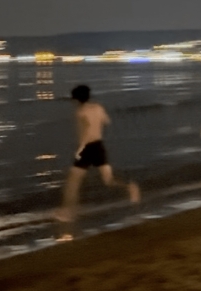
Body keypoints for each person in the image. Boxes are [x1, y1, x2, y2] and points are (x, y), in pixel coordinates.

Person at [55, 84, 140, 222]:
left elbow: (85, 131)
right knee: (108, 180)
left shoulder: (80, 112)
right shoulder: (98, 107)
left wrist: (80, 149)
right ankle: (130, 187)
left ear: (76, 99)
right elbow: (107, 121)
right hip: (99, 146)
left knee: (73, 182)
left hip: (87, 148)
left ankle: (69, 213)